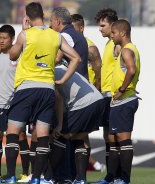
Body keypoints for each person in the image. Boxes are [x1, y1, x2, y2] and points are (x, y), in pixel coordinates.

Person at [0, 2, 80, 183]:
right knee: (43, 135)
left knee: (12, 131)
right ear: (43, 15)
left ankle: (11, 176)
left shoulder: (25, 35)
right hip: (47, 89)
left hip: (27, 88)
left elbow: (12, 55)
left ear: (27, 17)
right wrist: (62, 80)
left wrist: (22, 32)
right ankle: (36, 178)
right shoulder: (56, 36)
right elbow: (76, 58)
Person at [45, 63, 104, 184]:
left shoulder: (48, 72)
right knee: (79, 138)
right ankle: (80, 179)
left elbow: (58, 98)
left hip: (84, 104)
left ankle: (48, 177)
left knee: (61, 136)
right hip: (98, 101)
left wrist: (59, 125)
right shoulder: (62, 69)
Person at [50, 7, 89, 183]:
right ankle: (77, 177)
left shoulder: (64, 36)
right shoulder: (80, 36)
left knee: (61, 132)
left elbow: (56, 58)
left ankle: (60, 176)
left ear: (58, 22)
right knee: (78, 136)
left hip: (70, 92)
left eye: (51, 22)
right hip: (81, 90)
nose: (50, 25)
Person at [0, 25, 30, 182]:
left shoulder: (18, 55)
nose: (1, 41)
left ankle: (25, 172)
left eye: (5, 38)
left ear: (12, 39)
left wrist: (25, 32)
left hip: (15, 103)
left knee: (19, 136)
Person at [106, 19, 140, 184]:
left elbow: (131, 70)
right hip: (118, 103)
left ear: (123, 33)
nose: (111, 36)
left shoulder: (127, 50)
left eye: (113, 33)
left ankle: (124, 179)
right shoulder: (125, 50)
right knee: (113, 140)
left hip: (125, 101)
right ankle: (113, 177)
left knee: (123, 139)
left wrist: (121, 90)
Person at [71, 13, 106, 173]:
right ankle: (74, 172)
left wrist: (95, 93)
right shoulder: (67, 46)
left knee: (82, 135)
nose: (70, 31)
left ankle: (81, 173)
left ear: (82, 28)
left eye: (73, 28)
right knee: (72, 135)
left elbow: (99, 73)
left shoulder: (90, 48)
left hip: (86, 98)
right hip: (70, 98)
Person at [94, 8, 120, 184]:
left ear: (112, 26)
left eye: (102, 25)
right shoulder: (107, 44)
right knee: (107, 138)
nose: (100, 29)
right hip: (104, 96)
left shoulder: (117, 45)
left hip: (113, 97)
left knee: (114, 138)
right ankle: (110, 176)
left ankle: (116, 176)